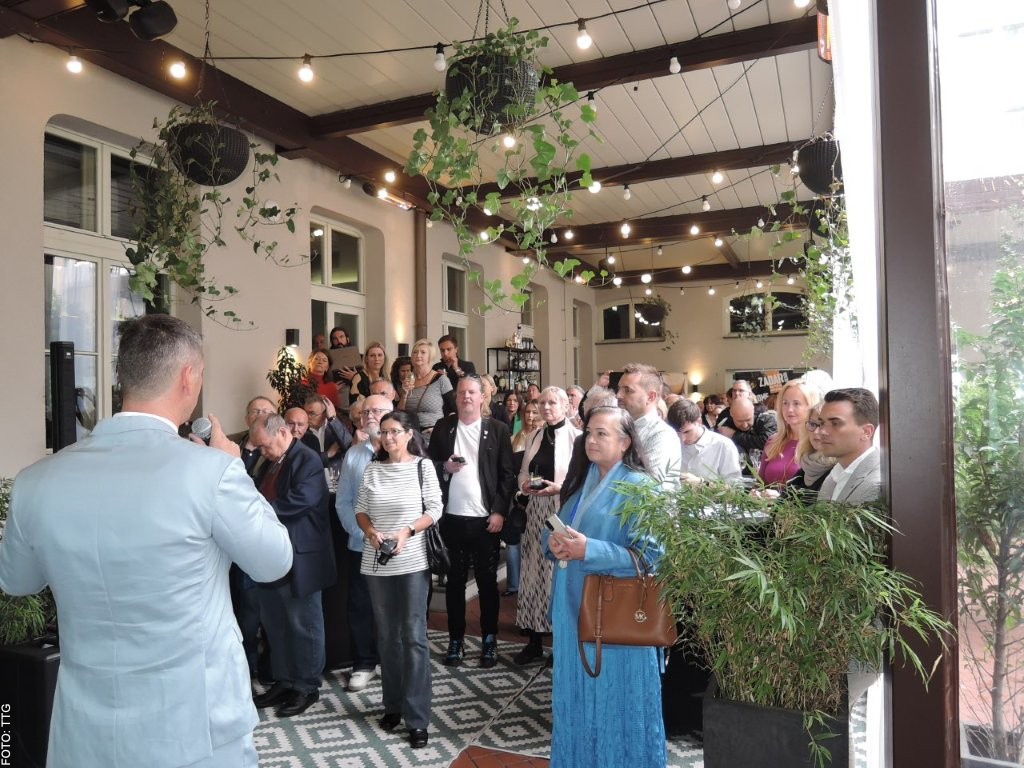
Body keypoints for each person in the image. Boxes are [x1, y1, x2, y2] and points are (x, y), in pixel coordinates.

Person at [0, 314, 292, 768]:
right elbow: (275, 561)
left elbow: (17, 581)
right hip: (195, 727)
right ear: (188, 376)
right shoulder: (213, 472)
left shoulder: (36, 481)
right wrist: (232, 466)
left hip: (86, 729)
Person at [544, 406, 665, 768]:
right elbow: (558, 529)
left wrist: (589, 550)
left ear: (625, 442)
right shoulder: (585, 481)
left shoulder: (642, 487)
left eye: (602, 434)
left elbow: (651, 556)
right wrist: (553, 543)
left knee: (619, 701)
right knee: (575, 698)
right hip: (572, 609)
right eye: (589, 433)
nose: (591, 440)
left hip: (615, 620)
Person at [355, 411, 442, 749]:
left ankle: (417, 717)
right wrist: (371, 532)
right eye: (384, 432)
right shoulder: (372, 468)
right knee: (387, 636)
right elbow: (360, 509)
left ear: (409, 434)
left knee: (414, 636)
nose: (388, 437)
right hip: (376, 562)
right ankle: (393, 705)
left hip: (413, 561)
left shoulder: (423, 467)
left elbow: (434, 509)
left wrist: (406, 531)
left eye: (394, 431)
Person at [250, 413, 336, 718]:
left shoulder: (307, 459)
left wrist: (256, 513)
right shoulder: (270, 461)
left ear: (283, 432)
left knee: (304, 625)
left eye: (265, 445)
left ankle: (306, 686)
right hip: (271, 555)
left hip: (301, 557)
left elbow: (300, 501)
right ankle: (285, 681)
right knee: (275, 623)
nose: (262, 452)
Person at [428, 375, 515, 668]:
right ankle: (456, 640)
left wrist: (499, 511)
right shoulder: (443, 427)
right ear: (456, 398)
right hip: (451, 519)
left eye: (472, 392)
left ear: (482, 397)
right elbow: (429, 466)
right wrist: (445, 467)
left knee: (487, 583)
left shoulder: (498, 429)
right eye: (462, 392)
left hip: (485, 520)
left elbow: (507, 475)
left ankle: (489, 639)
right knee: (454, 583)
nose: (466, 396)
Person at [514, 386, 581, 664]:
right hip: (535, 510)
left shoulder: (577, 438)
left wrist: (558, 488)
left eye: (553, 403)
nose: (546, 408)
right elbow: (522, 471)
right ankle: (534, 641)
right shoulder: (534, 435)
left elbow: (580, 480)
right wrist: (524, 486)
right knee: (532, 573)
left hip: (561, 510)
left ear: (566, 406)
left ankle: (560, 645)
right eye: (543, 403)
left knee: (557, 574)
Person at [336, 394, 394, 692]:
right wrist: (362, 533)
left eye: (376, 411)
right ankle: (363, 663)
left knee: (394, 608)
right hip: (361, 545)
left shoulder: (406, 452)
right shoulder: (354, 455)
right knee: (360, 606)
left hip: (397, 547)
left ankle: (394, 661)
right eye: (365, 412)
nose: (369, 415)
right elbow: (343, 501)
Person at [616, 363, 682, 489]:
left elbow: (648, 486)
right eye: (619, 389)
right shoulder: (619, 427)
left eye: (627, 390)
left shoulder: (662, 435)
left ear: (651, 397)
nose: (618, 395)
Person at [816, 388, 882, 504]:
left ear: (866, 432)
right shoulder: (834, 475)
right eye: (821, 423)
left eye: (835, 423)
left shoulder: (879, 484)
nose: (821, 431)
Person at [757, 379, 823, 486]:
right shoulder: (773, 440)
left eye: (796, 403)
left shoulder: (817, 443)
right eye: (785, 403)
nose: (789, 409)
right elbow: (760, 483)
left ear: (811, 406)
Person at [666, 398, 742, 483]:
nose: (682, 439)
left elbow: (735, 486)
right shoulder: (669, 444)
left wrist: (701, 483)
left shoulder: (724, 446)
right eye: (677, 433)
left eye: (687, 432)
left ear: (699, 421)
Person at [399, 338, 453, 433]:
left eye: (423, 352)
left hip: (433, 432)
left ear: (430, 357)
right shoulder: (408, 380)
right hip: (410, 433)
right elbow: (399, 413)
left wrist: (440, 429)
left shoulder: (441, 380)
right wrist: (404, 395)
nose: (418, 355)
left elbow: (454, 409)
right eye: (415, 352)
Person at [785, 402, 836, 498]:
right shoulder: (805, 467)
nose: (816, 432)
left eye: (823, 425)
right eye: (812, 424)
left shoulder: (838, 471)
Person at [718, 397, 777, 469]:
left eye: (748, 419)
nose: (745, 425)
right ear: (731, 414)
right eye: (739, 421)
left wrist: (734, 435)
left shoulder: (767, 420)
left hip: (768, 468)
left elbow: (766, 442)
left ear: (753, 410)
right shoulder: (726, 425)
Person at [301, 393, 352, 469]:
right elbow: (303, 461)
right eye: (306, 413)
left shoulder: (336, 428)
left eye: (312, 414)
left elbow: (349, 446)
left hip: (335, 474)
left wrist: (332, 418)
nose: (307, 417)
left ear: (325, 414)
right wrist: (327, 454)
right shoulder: (301, 432)